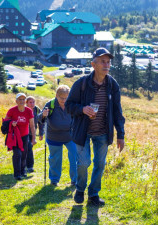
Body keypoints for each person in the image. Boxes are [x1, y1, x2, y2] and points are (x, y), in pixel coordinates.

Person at [65, 47, 125, 206]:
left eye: (108, 62)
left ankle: (93, 195)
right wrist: (82, 109)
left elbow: (118, 111)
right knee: (84, 163)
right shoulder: (82, 83)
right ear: (93, 64)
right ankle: (80, 189)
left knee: (100, 164)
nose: (106, 65)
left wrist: (120, 134)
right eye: (102, 62)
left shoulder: (112, 85)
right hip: (82, 131)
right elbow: (69, 105)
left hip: (103, 132)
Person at [40, 85, 77, 186]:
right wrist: (43, 115)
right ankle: (54, 180)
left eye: (66, 98)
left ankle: (75, 180)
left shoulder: (71, 104)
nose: (64, 100)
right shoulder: (50, 104)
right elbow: (40, 118)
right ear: (56, 95)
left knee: (75, 157)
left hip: (70, 136)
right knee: (55, 159)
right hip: (54, 136)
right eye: (61, 98)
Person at [5, 93, 36, 180]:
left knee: (23, 154)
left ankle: (23, 171)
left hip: (25, 136)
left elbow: (32, 125)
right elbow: (5, 123)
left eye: (23, 99)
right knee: (17, 154)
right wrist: (11, 123)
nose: (22, 101)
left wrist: (33, 138)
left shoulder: (29, 111)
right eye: (20, 99)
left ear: (25, 101)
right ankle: (17, 174)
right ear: (16, 101)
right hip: (15, 137)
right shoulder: (12, 110)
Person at [26, 96, 43, 173]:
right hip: (24, 132)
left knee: (29, 148)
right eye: (30, 102)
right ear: (27, 103)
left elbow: (41, 121)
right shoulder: (24, 110)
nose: (32, 104)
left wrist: (41, 133)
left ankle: (28, 165)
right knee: (27, 148)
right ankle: (29, 166)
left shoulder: (37, 109)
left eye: (33, 102)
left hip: (33, 131)